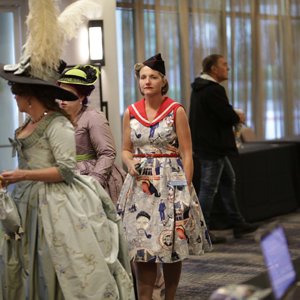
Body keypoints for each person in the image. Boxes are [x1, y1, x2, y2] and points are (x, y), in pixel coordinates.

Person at [0, 61, 134, 299]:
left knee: (62, 261)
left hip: (55, 202)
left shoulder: (59, 123)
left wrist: (22, 175)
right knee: (26, 260)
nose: (15, 98)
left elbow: (66, 169)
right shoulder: (27, 124)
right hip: (26, 201)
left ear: (29, 96)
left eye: (16, 93)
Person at [117, 53, 212, 300]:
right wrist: (129, 162)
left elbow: (187, 152)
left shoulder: (175, 110)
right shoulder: (130, 112)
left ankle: (170, 296)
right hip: (140, 187)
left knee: (171, 246)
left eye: (153, 77)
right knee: (142, 247)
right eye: (143, 77)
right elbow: (126, 149)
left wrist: (186, 187)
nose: (147, 81)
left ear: (163, 81)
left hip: (171, 182)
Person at [189, 54, 258, 243]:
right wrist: (238, 116)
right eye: (224, 65)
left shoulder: (199, 88)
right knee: (208, 188)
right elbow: (225, 115)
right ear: (213, 69)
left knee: (228, 180)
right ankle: (202, 232)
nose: (228, 68)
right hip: (213, 148)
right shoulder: (213, 90)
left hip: (206, 146)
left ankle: (238, 223)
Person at [57, 64, 126, 203]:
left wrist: (95, 181)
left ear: (81, 96)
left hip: (91, 177)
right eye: (60, 94)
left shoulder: (92, 116)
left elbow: (107, 153)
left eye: (68, 95)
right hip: (65, 176)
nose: (62, 100)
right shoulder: (57, 119)